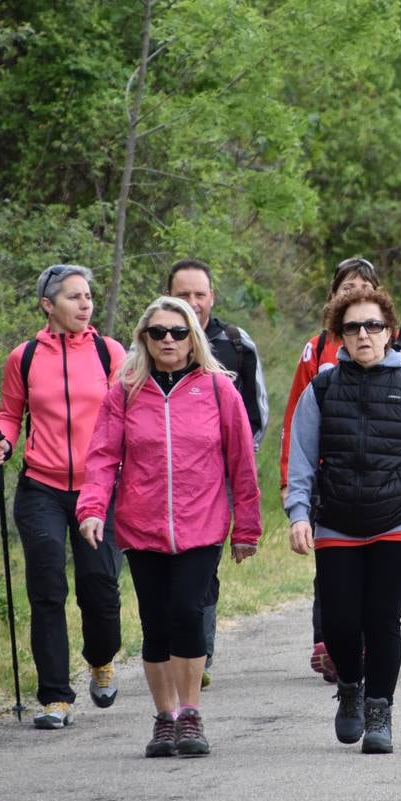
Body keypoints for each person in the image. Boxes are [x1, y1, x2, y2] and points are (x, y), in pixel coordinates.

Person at [77, 296, 262, 758]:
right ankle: (164, 718)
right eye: (157, 332)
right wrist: (92, 508)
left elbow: (241, 463)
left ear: (192, 338)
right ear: (143, 338)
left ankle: (191, 714)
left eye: (177, 332)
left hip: (202, 525)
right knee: (156, 622)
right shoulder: (124, 392)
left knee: (187, 611)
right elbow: (102, 457)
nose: (167, 341)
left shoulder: (219, 389)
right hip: (142, 526)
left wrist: (247, 529)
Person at [285, 288, 401, 755]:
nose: (364, 335)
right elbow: (300, 460)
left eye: (373, 326)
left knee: (382, 619)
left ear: (389, 333)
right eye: (353, 327)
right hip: (338, 522)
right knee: (340, 624)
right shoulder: (320, 388)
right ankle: (351, 687)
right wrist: (298, 514)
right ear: (338, 335)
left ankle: (380, 708)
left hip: (399, 522)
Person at [0, 264, 127, 730]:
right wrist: (2, 440)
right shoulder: (23, 358)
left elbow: (129, 413)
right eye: (73, 297)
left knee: (100, 590)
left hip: (99, 488)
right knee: (47, 589)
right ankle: (54, 697)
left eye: (88, 296)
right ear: (48, 305)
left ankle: (101, 658)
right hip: (41, 487)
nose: (85, 304)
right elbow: (10, 414)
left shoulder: (110, 353)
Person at [276, 257, 401, 685]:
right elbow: (296, 423)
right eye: (345, 287)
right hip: (331, 481)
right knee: (334, 571)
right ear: (333, 297)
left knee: (377, 590)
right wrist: (292, 484)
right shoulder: (316, 349)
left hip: (387, 487)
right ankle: (329, 643)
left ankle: (365, 657)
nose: (352, 293)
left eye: (362, 285)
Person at [165, 259, 268, 689]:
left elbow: (256, 414)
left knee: (203, 566)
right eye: (183, 294)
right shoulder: (153, 342)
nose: (192, 303)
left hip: (217, 477)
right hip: (163, 479)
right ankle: (170, 647)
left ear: (212, 297)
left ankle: (198, 654)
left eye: (199, 294)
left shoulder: (236, 344)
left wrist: (241, 466)